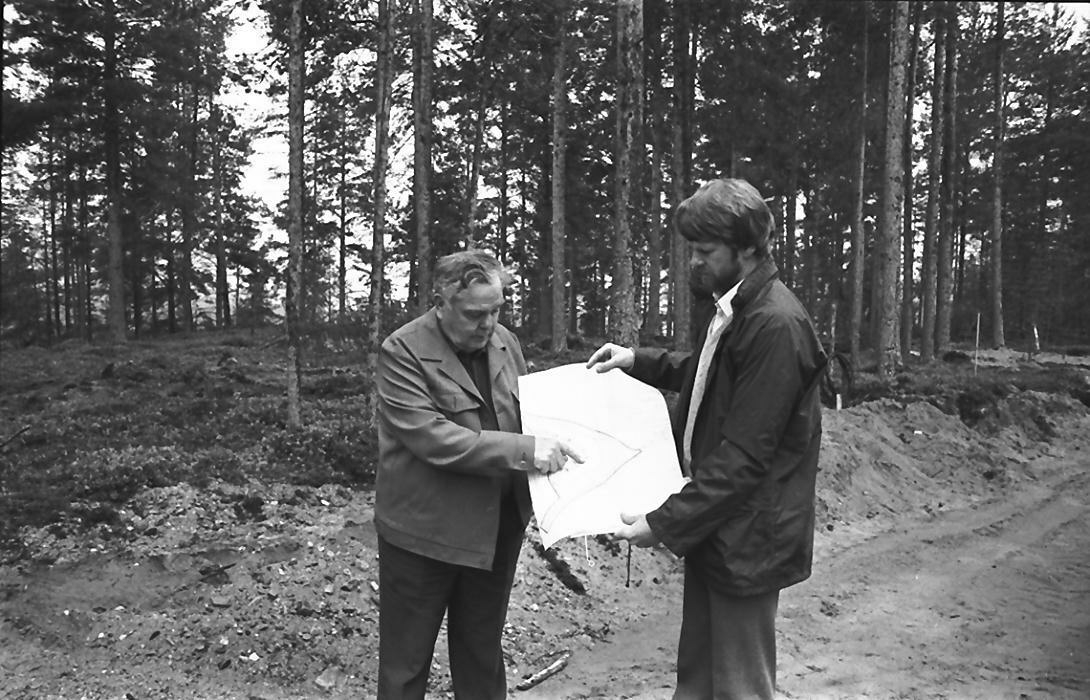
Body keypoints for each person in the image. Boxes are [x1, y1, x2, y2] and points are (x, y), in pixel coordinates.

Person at [586, 178, 827, 700]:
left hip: (748, 532)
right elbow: (705, 376)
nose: (692, 262)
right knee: (697, 677)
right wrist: (637, 360)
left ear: (745, 249)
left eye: (704, 251)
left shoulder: (774, 325)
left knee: (739, 684)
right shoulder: (735, 307)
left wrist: (664, 522)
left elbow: (744, 456)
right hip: (719, 524)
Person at [374, 249, 582, 700]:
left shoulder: (506, 342)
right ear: (441, 302)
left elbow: (527, 413)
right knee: (406, 665)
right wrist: (527, 450)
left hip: (494, 531)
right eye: (474, 313)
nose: (487, 323)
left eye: (496, 309)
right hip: (422, 536)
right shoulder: (402, 351)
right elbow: (433, 438)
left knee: (481, 656)